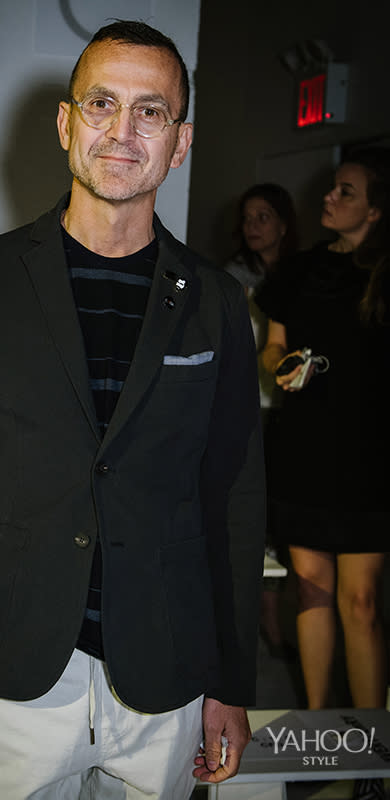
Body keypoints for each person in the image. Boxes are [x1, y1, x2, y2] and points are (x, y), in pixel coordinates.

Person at [0, 20, 266, 799]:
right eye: (102, 104)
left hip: (165, 672)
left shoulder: (217, 303)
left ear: (181, 140)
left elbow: (234, 496)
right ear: (67, 124)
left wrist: (232, 680)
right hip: (13, 669)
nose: (123, 132)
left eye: (150, 111)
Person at [256, 148, 390, 799]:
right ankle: (319, 741)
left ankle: (369, 749)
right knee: (309, 591)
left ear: (376, 208)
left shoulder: (387, 275)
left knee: (359, 603)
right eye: (333, 188)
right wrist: (279, 368)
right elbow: (272, 347)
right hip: (303, 448)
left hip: (369, 456)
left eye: (346, 190)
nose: (330, 198)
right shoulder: (298, 271)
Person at [224, 183, 298, 659]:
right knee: (247, 506)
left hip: (290, 408)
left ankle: (271, 618)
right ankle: (252, 621)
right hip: (245, 405)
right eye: (248, 217)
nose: (253, 226)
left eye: (263, 217)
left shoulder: (303, 274)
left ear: (284, 223)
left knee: (278, 511)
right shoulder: (229, 276)